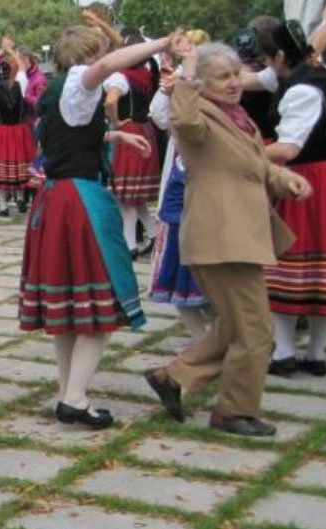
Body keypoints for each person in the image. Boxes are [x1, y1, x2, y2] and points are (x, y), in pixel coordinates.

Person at [143, 42, 309, 436]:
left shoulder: (237, 117)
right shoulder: (197, 114)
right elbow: (181, 121)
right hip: (219, 235)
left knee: (239, 325)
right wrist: (185, 70)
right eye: (223, 76)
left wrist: (285, 179)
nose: (235, 82)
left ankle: (172, 376)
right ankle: (233, 411)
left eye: (236, 74)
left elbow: (253, 164)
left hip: (241, 233)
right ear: (201, 83)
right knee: (255, 330)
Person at [20, 26, 172, 429]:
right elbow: (103, 66)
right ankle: (74, 397)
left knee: (70, 308)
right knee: (99, 304)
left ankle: (68, 392)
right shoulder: (79, 82)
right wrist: (162, 44)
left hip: (55, 200)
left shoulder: (60, 92)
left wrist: (116, 135)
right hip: (79, 202)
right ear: (89, 57)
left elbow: (72, 133)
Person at [262, 19, 326, 377]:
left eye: (269, 60)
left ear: (280, 56)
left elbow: (290, 148)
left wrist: (245, 153)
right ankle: (317, 353)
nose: (267, 68)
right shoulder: (324, 75)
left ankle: (285, 350)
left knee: (288, 263)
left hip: (305, 182)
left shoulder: (301, 90)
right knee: (325, 267)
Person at [147, 48, 211, 338]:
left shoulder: (212, 101)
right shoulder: (178, 95)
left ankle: (214, 337)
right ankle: (205, 339)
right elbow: (160, 115)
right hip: (182, 177)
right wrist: (167, 88)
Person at [103, 37, 162, 256]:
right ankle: (155, 234)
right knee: (134, 196)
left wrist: (115, 121)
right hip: (145, 129)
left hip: (129, 133)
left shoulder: (121, 77)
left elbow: (110, 101)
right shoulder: (146, 73)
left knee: (124, 195)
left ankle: (130, 246)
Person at [0, 51, 37, 216]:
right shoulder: (21, 84)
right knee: (18, 163)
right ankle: (20, 198)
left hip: (0, 131)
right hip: (19, 130)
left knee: (1, 166)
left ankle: (3, 206)